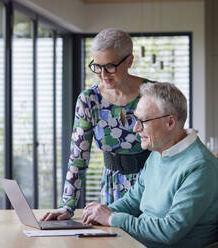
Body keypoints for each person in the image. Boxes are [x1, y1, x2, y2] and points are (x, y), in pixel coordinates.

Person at [81, 82, 218, 248]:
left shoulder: (200, 166)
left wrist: (112, 218)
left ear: (170, 122)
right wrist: (99, 214)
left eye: (143, 121)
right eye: (135, 119)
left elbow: (169, 231)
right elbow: (132, 201)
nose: (135, 128)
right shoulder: (158, 153)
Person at [41, 28, 154, 221]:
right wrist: (67, 206)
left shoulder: (153, 93)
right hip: (112, 188)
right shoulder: (89, 100)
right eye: (97, 66)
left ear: (129, 61)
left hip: (152, 184)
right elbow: (78, 157)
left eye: (110, 66)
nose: (103, 74)